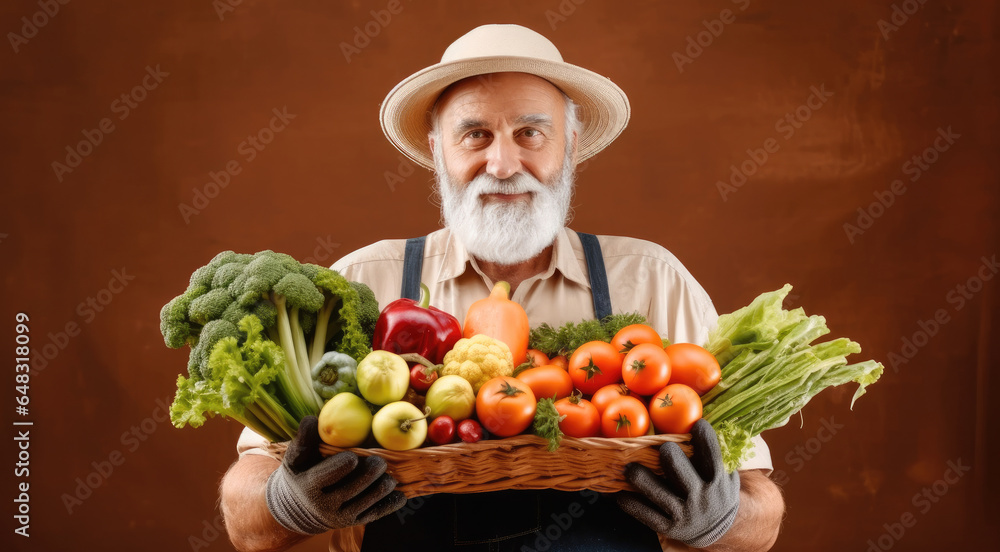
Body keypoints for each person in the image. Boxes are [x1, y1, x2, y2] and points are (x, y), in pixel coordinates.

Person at [220, 24, 784, 552]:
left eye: (531, 133)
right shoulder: (362, 283)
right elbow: (245, 521)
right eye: (475, 134)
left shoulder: (651, 280)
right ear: (438, 149)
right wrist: (289, 504)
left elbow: (762, 510)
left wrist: (719, 520)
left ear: (571, 146)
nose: (504, 162)